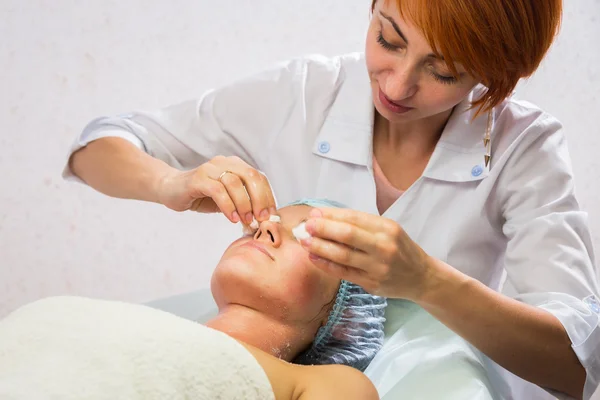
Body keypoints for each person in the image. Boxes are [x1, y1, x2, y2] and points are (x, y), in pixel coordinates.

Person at [64, 0, 599, 398]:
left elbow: (576, 365)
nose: (398, 84)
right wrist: (170, 184)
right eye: (388, 39)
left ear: (496, 77)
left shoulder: (523, 147)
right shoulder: (304, 93)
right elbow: (96, 147)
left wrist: (428, 281)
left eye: (442, 71)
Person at [0, 200, 385, 400]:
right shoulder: (137, 323)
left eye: (305, 234)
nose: (265, 228)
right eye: (268, 220)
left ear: (344, 315)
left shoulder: (328, 382)